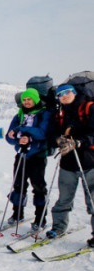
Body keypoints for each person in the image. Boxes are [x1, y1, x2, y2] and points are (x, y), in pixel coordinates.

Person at [45, 84, 94, 247]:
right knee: (64, 198)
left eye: (67, 93)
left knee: (93, 200)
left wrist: (79, 142)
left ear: (74, 93)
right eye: (60, 94)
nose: (63, 96)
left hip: (89, 161)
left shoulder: (89, 108)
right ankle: (58, 227)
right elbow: (50, 134)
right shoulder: (59, 113)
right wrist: (57, 140)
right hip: (68, 162)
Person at [6, 88, 51, 230]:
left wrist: (24, 132)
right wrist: (19, 138)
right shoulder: (19, 115)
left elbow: (42, 133)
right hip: (21, 154)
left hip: (37, 155)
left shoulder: (44, 114)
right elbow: (9, 136)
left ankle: (40, 218)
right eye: (24, 100)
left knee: (38, 187)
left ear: (35, 99)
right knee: (19, 185)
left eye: (29, 99)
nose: (26, 102)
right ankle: (17, 213)